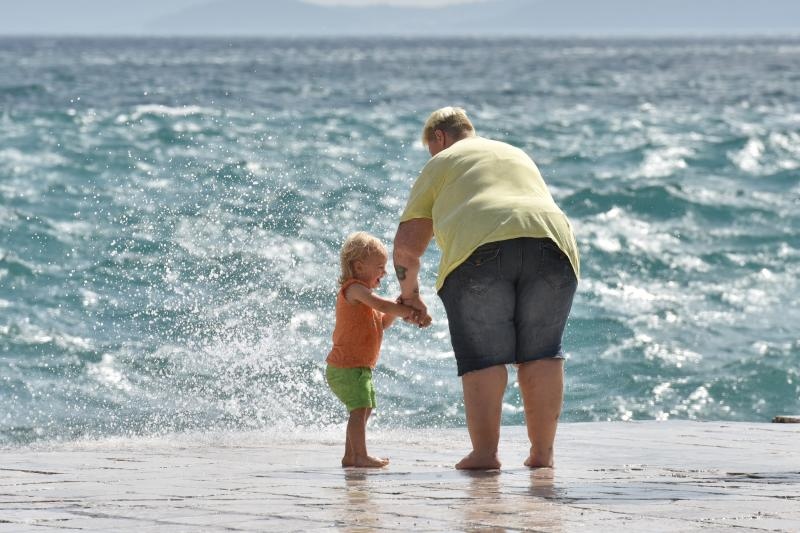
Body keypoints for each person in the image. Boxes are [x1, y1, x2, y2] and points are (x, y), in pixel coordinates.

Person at [393, 107, 580, 470]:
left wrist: (411, 295)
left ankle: (485, 454)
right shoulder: (515, 153)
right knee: (542, 353)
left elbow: (407, 247)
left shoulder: (442, 160)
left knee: (483, 357)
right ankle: (542, 454)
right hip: (554, 245)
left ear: (439, 137)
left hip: (480, 248)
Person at [326, 231, 424, 468]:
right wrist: (409, 311)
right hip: (346, 366)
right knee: (359, 410)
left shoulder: (365, 298)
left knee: (364, 409)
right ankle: (360, 455)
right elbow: (381, 304)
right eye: (380, 267)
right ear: (359, 267)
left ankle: (351, 455)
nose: (385, 272)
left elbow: (382, 321)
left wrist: (397, 309)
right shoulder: (354, 290)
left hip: (359, 367)